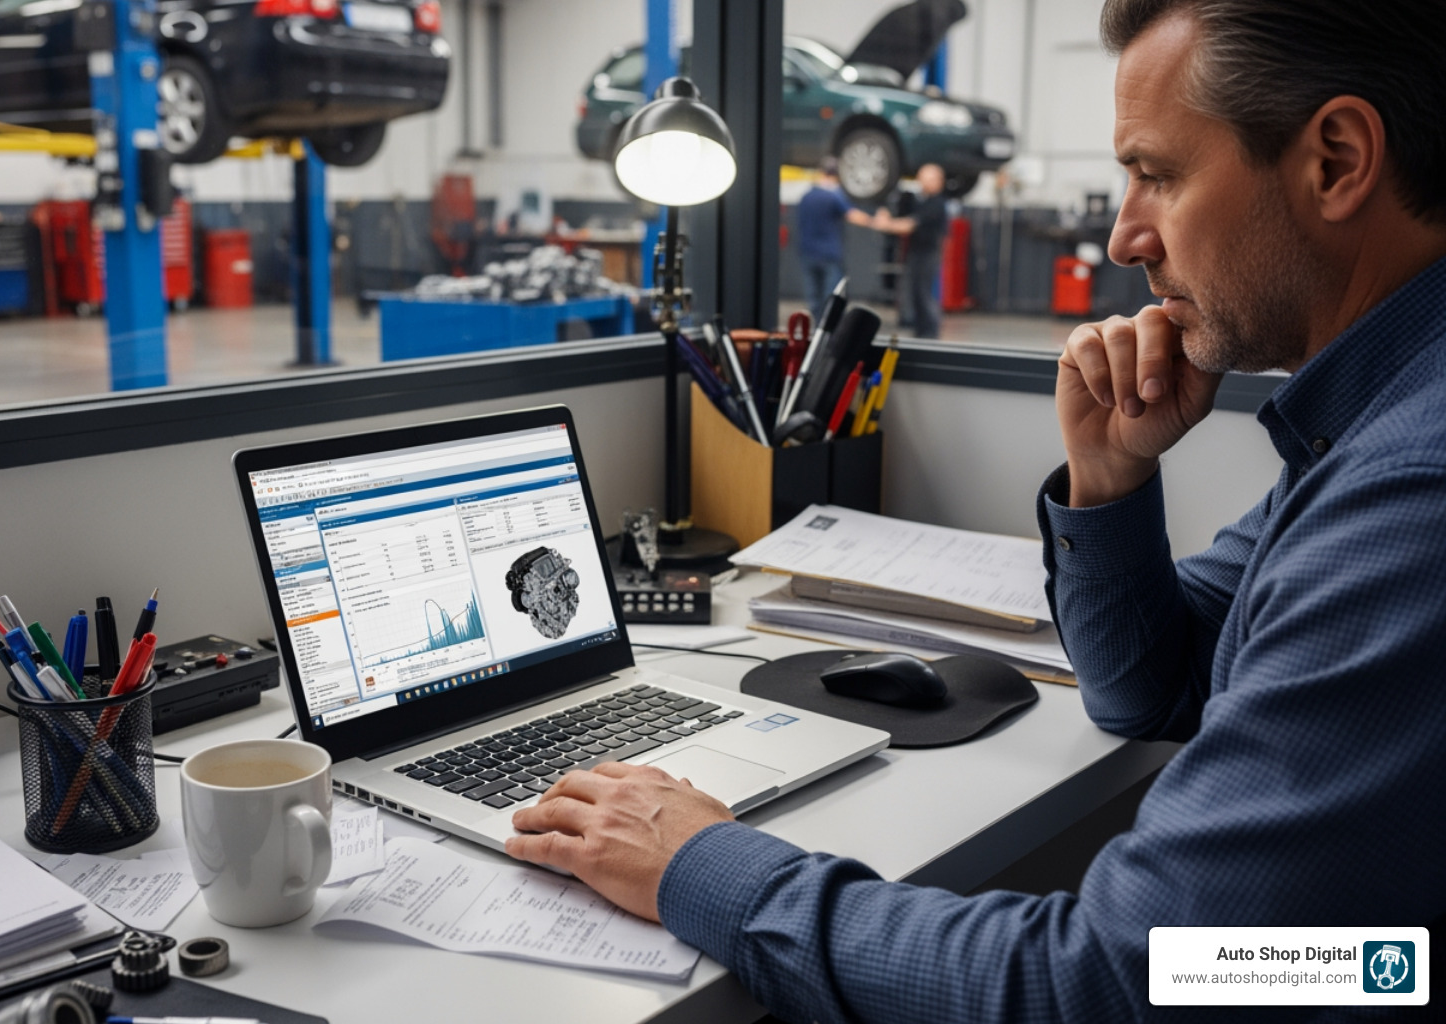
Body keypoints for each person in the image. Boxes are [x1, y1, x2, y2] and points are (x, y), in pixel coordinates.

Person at [506, 1, 1446, 1021]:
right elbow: (1151, 688)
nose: (1125, 234)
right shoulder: (1370, 420)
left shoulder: (1411, 493)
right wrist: (1110, 479)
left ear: (1338, 160)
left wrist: (703, 861)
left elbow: (1107, 983)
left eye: (1158, 174)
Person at [875, 163, 948, 338]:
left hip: (928, 253)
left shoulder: (937, 204)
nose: (922, 183)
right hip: (914, 252)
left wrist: (886, 225)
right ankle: (920, 330)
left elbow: (909, 225)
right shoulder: (918, 200)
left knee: (924, 294)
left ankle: (930, 332)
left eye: (927, 179)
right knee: (914, 293)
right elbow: (900, 213)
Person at [795, 156, 874, 317]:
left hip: (807, 252)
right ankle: (830, 334)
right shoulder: (834, 195)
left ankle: (818, 331)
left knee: (814, 299)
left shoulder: (807, 195)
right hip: (829, 254)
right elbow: (853, 216)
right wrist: (875, 221)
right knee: (831, 299)